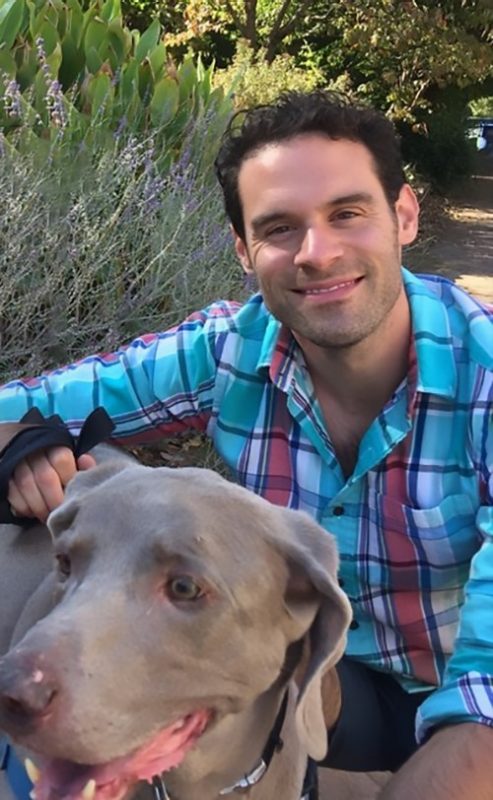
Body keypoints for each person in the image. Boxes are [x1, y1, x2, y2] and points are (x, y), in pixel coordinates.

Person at [1, 91, 492, 799]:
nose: (316, 254)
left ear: (404, 216)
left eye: (346, 214)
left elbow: (484, 700)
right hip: (318, 681)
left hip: (455, 691)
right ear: (243, 249)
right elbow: (20, 406)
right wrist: (22, 442)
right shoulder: (229, 347)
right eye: (279, 228)